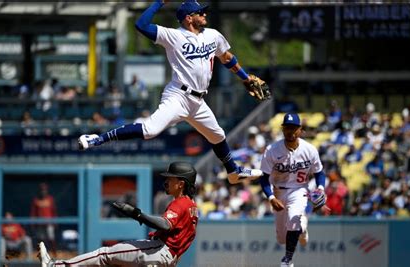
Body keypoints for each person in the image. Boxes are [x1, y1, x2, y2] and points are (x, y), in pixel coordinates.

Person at [78, 0, 265, 184]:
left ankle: (233, 172)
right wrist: (159, 2)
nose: (204, 14)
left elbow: (226, 57)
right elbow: (141, 25)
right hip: (178, 96)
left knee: (217, 135)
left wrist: (245, 78)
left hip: (198, 101)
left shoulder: (213, 35)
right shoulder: (173, 36)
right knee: (150, 130)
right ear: (189, 18)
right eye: (200, 12)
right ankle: (98, 139)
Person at [39, 161, 199, 267]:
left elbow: (164, 224)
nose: (167, 182)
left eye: (171, 179)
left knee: (104, 254)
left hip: (158, 250)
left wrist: (137, 214)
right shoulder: (192, 207)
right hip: (168, 259)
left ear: (181, 184)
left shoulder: (181, 203)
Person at [259, 113, 328, 267]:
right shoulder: (272, 150)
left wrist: (321, 189)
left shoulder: (309, 149)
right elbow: (263, 177)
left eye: (293, 128)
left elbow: (319, 172)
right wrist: (270, 197)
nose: (290, 131)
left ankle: (288, 259)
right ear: (283, 130)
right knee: (282, 239)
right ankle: (302, 228)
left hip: (299, 190)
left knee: (293, 220)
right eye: (287, 128)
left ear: (300, 130)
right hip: (278, 192)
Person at [30, 183, 57, 255]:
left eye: (44, 190)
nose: (43, 191)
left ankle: (54, 253)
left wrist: (55, 222)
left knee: (51, 238)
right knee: (41, 239)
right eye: (42, 190)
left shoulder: (50, 199)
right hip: (40, 223)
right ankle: (42, 253)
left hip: (49, 222)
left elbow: (54, 211)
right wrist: (33, 223)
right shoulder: (36, 200)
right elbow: (33, 213)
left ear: (47, 191)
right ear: (39, 191)